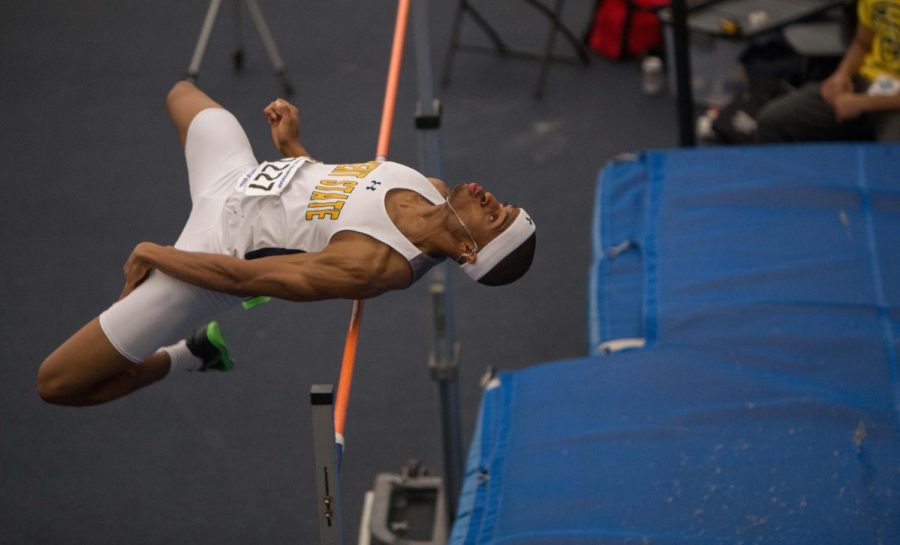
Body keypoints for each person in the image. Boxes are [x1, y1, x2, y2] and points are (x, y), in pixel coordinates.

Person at [37, 80, 536, 407]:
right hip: (239, 176)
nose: (492, 199)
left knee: (58, 384)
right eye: (504, 204)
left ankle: (187, 355)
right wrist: (295, 150)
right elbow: (333, 202)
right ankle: (188, 347)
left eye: (495, 217)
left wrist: (153, 252)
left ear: (469, 252)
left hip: (211, 257)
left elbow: (245, 279)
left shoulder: (374, 266)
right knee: (181, 94)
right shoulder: (429, 185)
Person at [756, 0, 900, 143]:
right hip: (865, 82)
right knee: (773, 121)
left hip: (891, 102)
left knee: (892, 156)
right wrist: (842, 75)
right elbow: (862, 43)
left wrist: (862, 103)